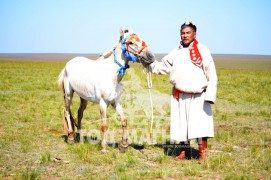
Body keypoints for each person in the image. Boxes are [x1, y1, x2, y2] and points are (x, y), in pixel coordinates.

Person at [149, 21, 218, 161]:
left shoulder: (202, 50)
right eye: (183, 33)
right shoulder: (175, 52)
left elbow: (211, 73)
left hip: (199, 95)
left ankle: (201, 153)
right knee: (182, 125)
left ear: (194, 34)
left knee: (201, 126)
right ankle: (184, 152)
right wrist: (148, 61)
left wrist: (210, 95)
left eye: (188, 32)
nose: (185, 35)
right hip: (179, 95)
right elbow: (161, 66)